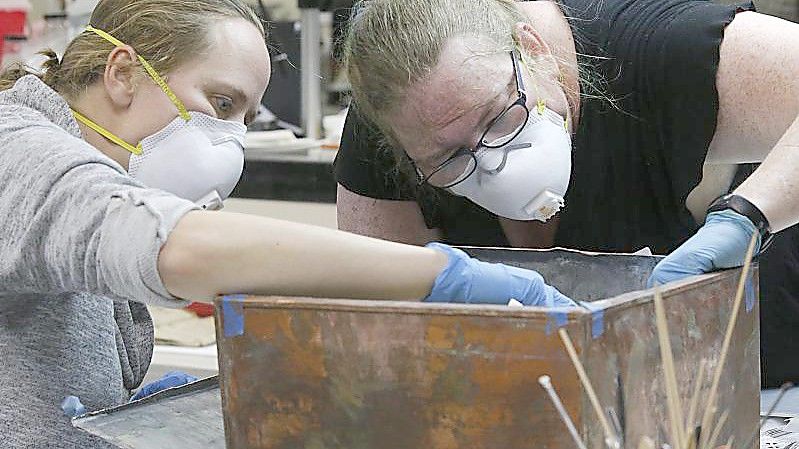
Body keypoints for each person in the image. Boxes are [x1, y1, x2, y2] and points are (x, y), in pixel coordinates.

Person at [0, 0, 576, 446]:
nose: (229, 144)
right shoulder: (14, 145)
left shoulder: (98, 183)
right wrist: (441, 275)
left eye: (246, 119)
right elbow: (176, 247)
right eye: (220, 104)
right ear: (122, 72)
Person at [334, 0, 799, 386]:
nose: (494, 164)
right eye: (450, 158)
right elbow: (378, 337)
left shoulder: (664, 49)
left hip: (764, 372)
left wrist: (749, 214)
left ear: (532, 49)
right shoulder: (398, 124)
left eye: (499, 117)